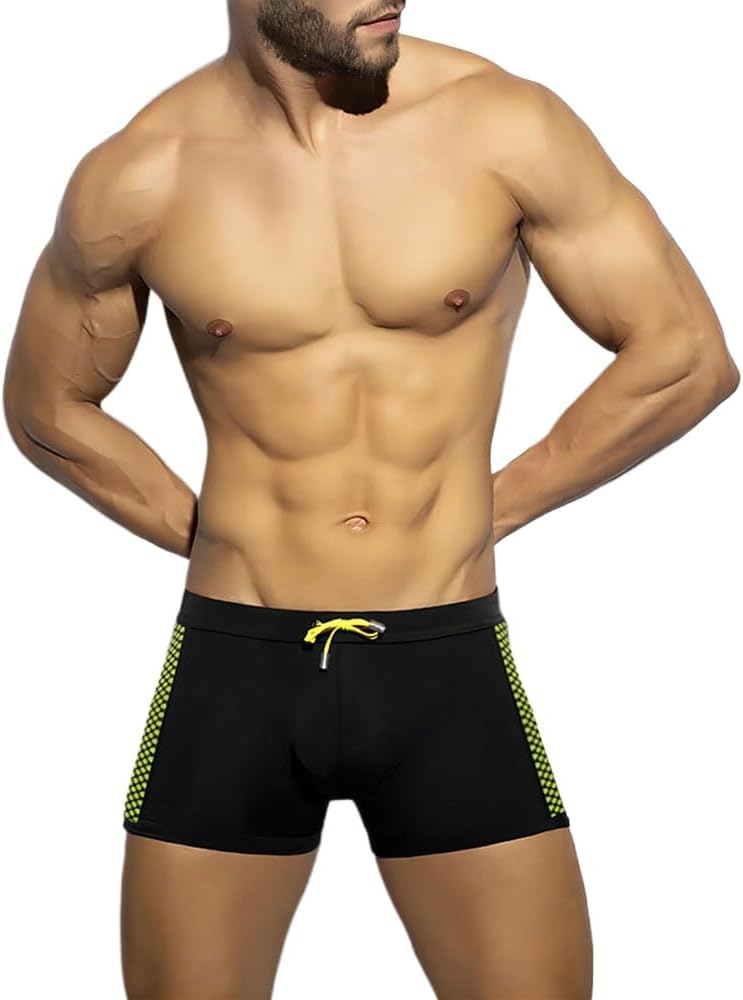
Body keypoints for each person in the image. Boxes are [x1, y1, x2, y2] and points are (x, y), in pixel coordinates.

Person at [3, 1, 739, 997]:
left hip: (444, 657)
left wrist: (491, 507)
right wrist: (212, 534)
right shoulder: (142, 173)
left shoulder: (501, 125)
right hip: (237, 666)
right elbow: (47, 405)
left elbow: (683, 355)